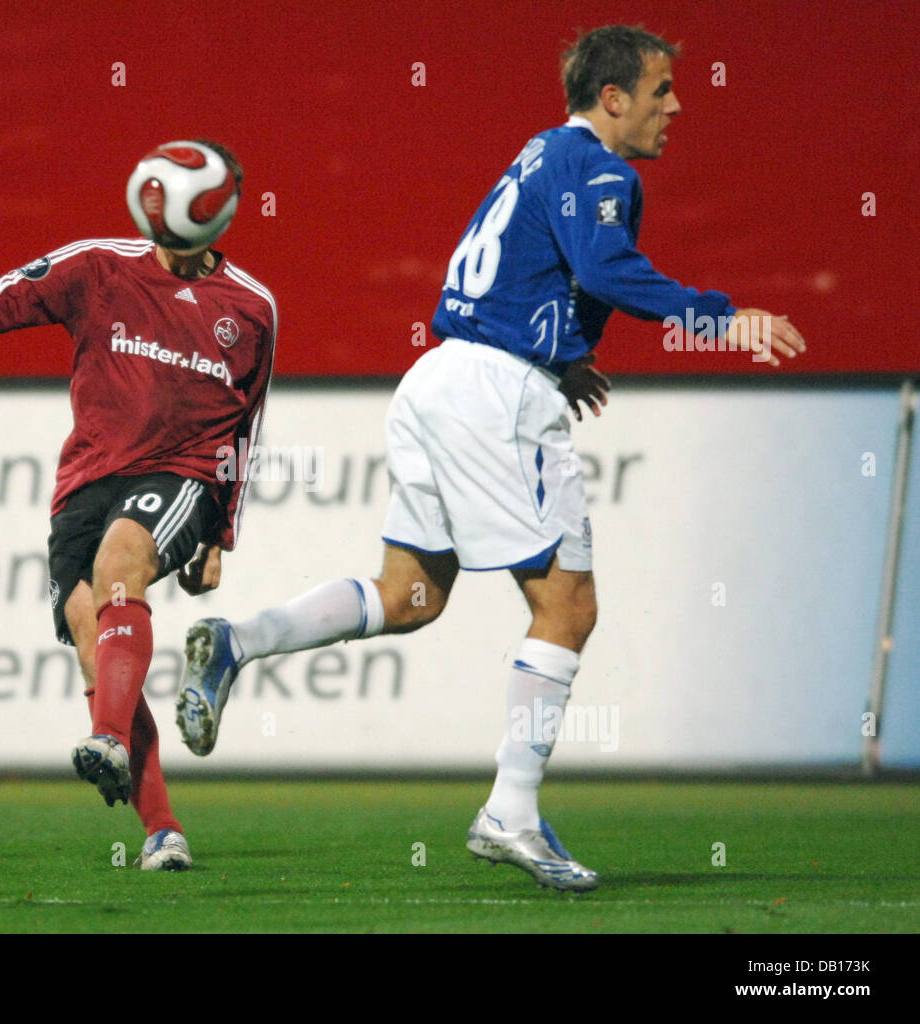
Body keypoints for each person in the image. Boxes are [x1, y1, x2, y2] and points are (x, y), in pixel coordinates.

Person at [175, 27, 804, 891]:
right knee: (569, 609)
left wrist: (559, 349)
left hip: (438, 376)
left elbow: (524, 264)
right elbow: (607, 267)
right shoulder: (605, 169)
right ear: (613, 97)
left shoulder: (541, 153)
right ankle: (511, 811)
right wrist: (721, 318)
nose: (676, 106)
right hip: (496, 394)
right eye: (661, 90)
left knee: (409, 597)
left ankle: (239, 643)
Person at [0, 140, 276, 871]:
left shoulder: (252, 308)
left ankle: (106, 736)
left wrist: (222, 534)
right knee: (89, 630)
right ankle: (161, 831)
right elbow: (14, 289)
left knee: (122, 562)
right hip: (88, 477)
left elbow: (248, 426)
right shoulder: (100, 266)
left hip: (184, 475)